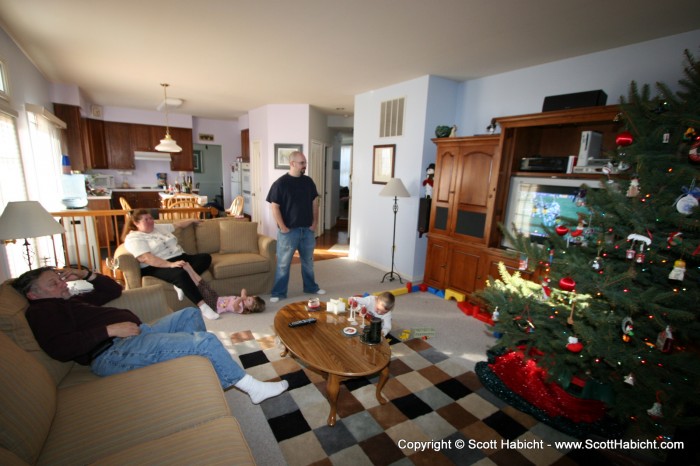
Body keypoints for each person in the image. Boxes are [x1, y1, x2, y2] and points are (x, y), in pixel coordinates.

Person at [13, 267, 289, 404]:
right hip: (113, 351)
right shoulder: (42, 312)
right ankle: (252, 388)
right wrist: (109, 330)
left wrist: (85, 273)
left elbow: (111, 290)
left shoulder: (66, 301)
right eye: (54, 282)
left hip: (136, 334)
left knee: (191, 315)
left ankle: (201, 371)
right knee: (207, 340)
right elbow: (59, 347)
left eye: (60, 278)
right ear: (33, 294)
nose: (62, 282)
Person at [122, 209, 219, 320]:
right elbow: (146, 258)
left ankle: (179, 284)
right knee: (180, 274)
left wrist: (193, 220)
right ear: (136, 223)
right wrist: (170, 265)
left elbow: (177, 225)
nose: (150, 221)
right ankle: (204, 307)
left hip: (179, 257)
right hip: (155, 265)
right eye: (146, 219)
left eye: (151, 218)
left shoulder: (158, 228)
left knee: (205, 258)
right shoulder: (133, 238)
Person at [266, 150, 325, 303]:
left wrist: (314, 223)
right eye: (302, 163)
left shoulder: (308, 182)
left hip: (307, 230)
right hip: (288, 232)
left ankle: (311, 287)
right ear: (292, 164)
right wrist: (283, 227)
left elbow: (315, 203)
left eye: (305, 163)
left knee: (308, 262)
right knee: (283, 264)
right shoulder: (280, 184)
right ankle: (278, 293)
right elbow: (275, 207)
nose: (305, 166)